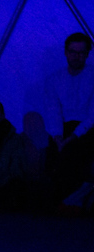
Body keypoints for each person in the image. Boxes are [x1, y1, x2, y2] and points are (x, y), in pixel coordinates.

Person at [44, 32, 94, 206]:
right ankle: (66, 199)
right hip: (64, 126)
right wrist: (58, 136)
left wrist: (73, 136)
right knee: (52, 153)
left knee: (73, 151)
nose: (76, 56)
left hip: (88, 128)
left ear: (87, 54)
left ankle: (66, 199)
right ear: (66, 52)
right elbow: (53, 110)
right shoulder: (54, 79)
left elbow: (92, 115)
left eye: (81, 52)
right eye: (73, 51)